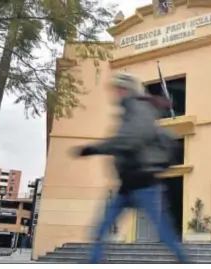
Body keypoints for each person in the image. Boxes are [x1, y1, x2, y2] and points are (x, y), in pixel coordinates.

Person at [71, 72, 188, 264]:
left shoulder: (138, 107)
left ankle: (185, 262)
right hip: (126, 186)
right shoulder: (128, 110)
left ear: (127, 89)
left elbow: (130, 140)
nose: (115, 93)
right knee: (100, 229)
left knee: (164, 233)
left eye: (118, 89)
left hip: (145, 184)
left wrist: (94, 148)